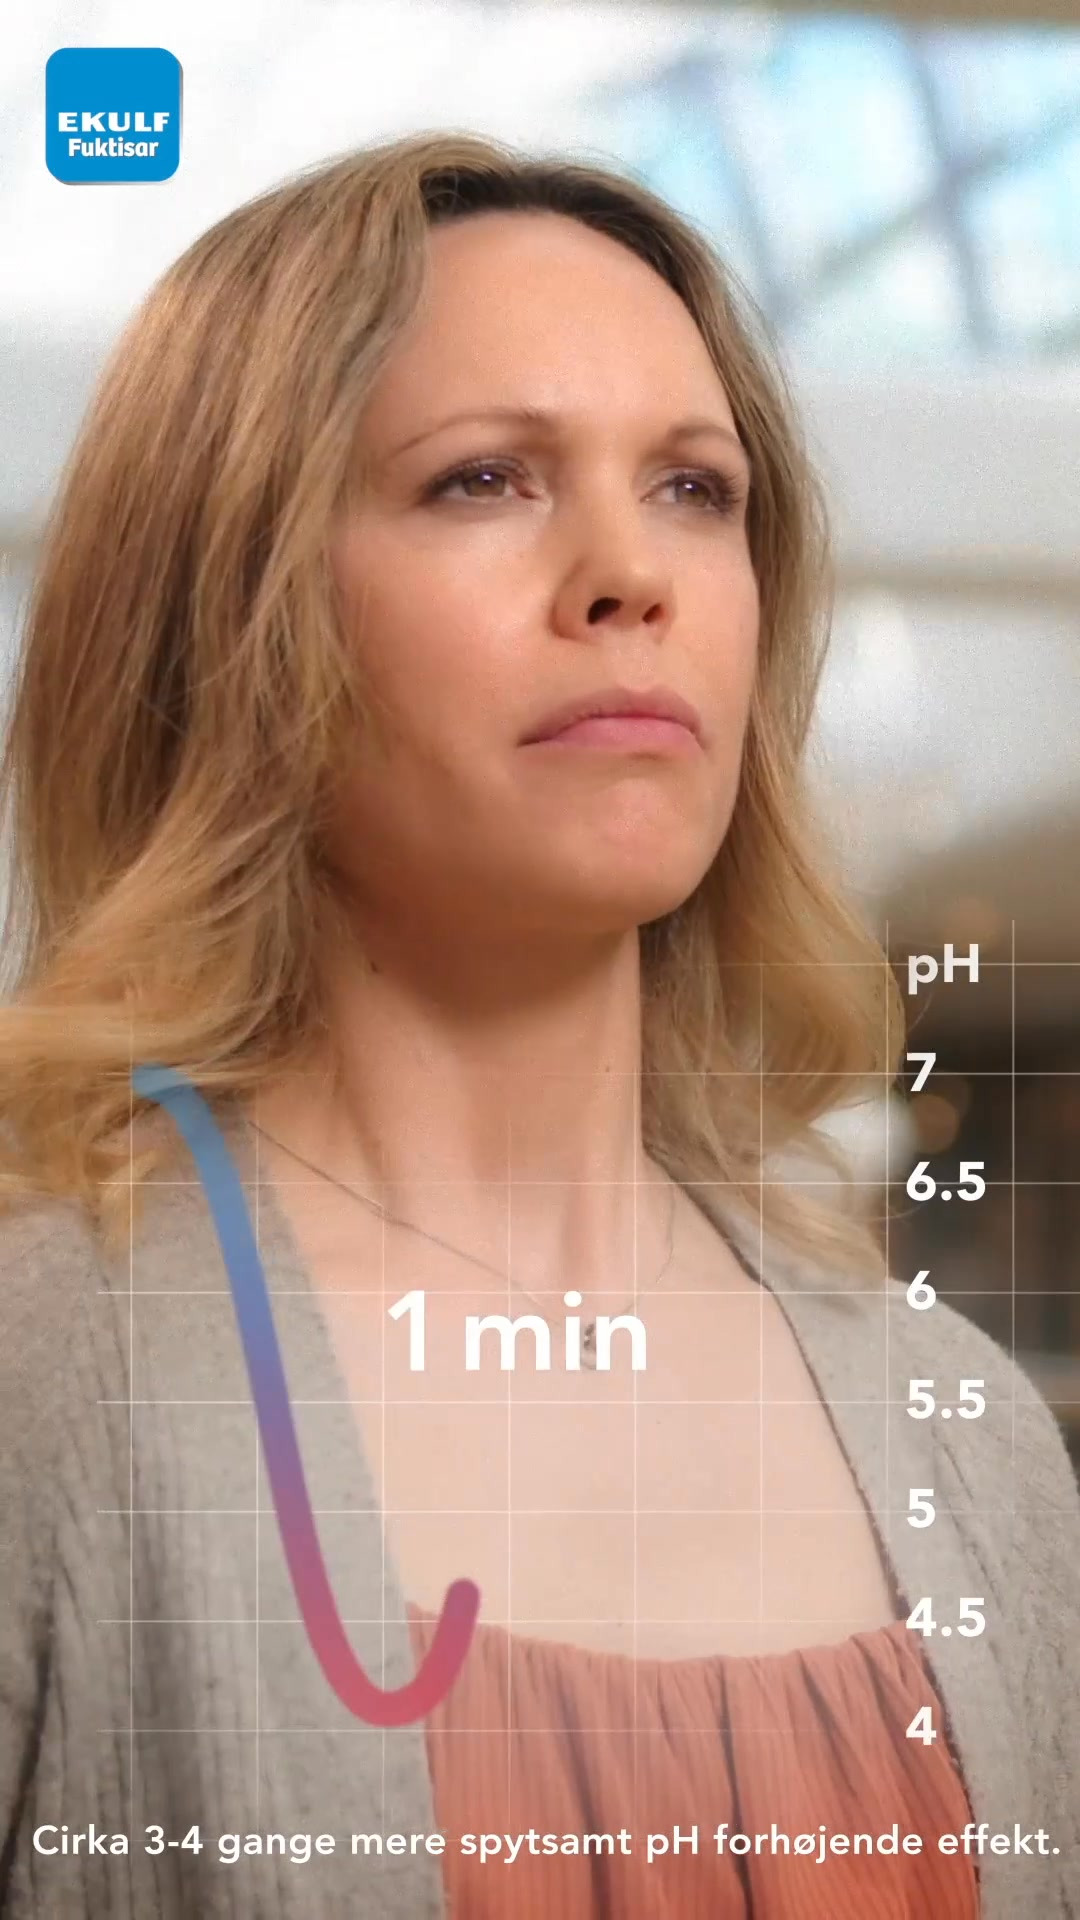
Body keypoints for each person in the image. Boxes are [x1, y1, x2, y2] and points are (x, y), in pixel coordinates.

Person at [0, 130, 1076, 1920]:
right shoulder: (51, 1386)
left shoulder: (975, 1448)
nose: (628, 573)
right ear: (238, 612)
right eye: (484, 479)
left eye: (696, 489)